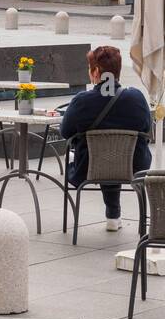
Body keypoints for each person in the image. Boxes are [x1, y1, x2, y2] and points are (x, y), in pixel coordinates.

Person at [56, 46, 153, 232]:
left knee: (101, 157)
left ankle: (113, 215)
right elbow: (148, 129)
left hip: (88, 170)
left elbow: (65, 131)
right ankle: (113, 215)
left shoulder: (82, 101)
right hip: (134, 167)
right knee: (115, 154)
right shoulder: (136, 98)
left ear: (96, 72)